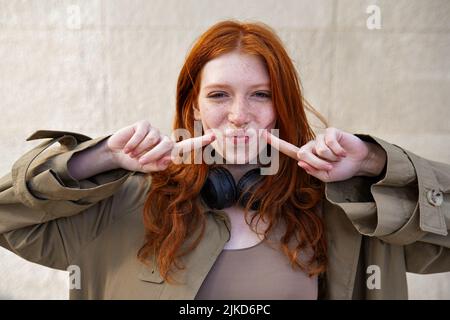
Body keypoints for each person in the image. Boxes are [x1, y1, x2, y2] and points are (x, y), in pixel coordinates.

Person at [0, 20, 449, 300]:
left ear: (282, 106)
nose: (239, 116)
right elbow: (8, 218)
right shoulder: (123, 201)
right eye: (218, 95)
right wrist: (95, 160)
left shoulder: (345, 209)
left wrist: (373, 165)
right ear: (193, 106)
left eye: (261, 95)